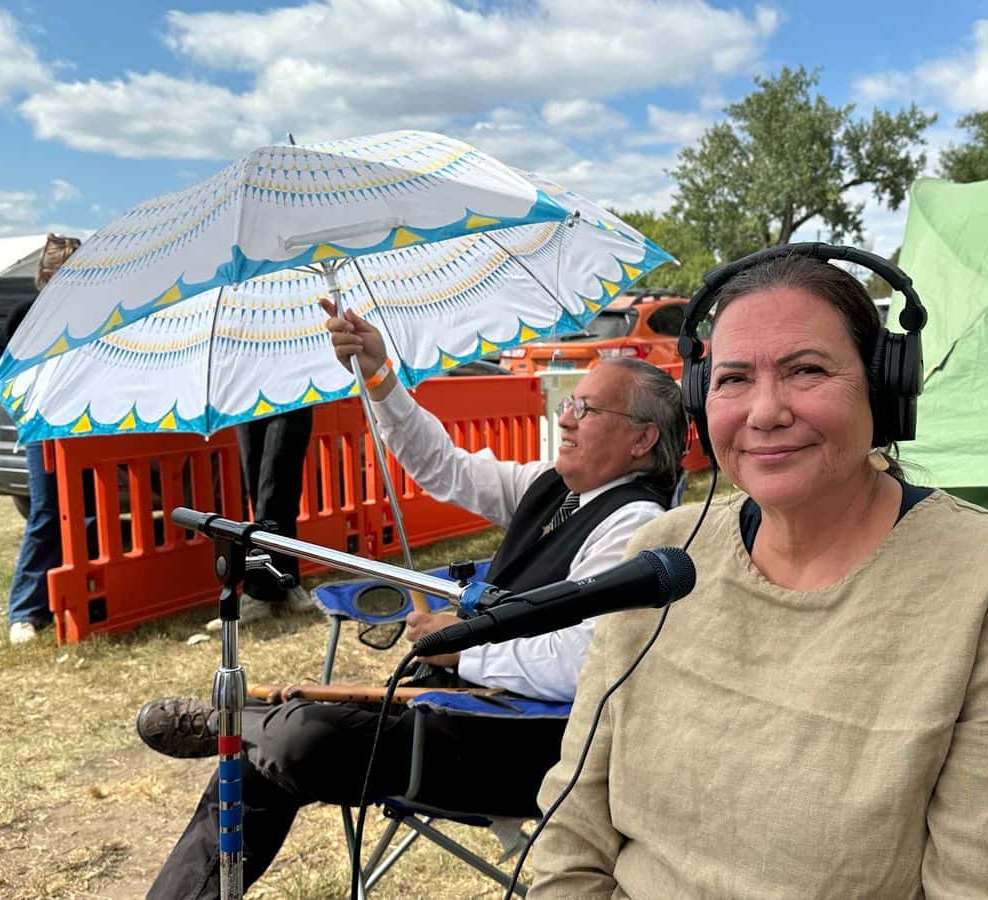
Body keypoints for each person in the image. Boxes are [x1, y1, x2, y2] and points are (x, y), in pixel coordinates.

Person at [530, 253, 988, 898]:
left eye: (806, 370)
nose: (765, 411)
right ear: (702, 399)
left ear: (886, 386)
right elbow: (572, 827)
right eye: (732, 379)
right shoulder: (664, 555)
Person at [137, 304, 688, 899]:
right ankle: (241, 732)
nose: (566, 416)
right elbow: (441, 467)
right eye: (569, 402)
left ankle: (236, 721)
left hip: (521, 748)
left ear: (642, 438)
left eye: (585, 407)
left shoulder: (638, 524)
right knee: (263, 757)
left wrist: (462, 649)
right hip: (454, 710)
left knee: (298, 740)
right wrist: (378, 378)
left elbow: (586, 666)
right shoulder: (552, 487)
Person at [0, 234, 79, 645]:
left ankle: (73, 599)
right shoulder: (25, 315)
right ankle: (25, 612)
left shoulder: (93, 315)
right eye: (67, 273)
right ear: (45, 276)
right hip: (42, 426)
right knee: (46, 513)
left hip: (85, 428)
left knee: (86, 515)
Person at [203, 404, 321, 630]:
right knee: (259, 493)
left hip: (290, 391)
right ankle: (285, 580)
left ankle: (259, 592)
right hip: (246, 392)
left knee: (274, 490)